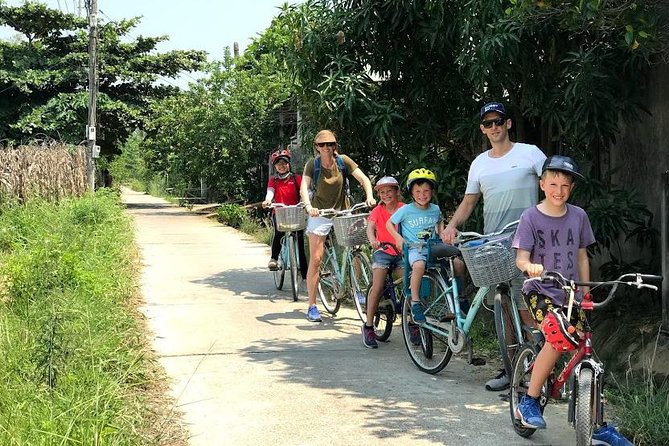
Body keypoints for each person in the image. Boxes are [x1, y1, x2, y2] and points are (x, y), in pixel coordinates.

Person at [441, 101, 547, 391]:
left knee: (528, 304)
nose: (494, 127)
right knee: (503, 305)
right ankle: (511, 367)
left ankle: (538, 367)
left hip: (528, 242)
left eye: (498, 121)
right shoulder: (480, 163)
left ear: (508, 123)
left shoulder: (530, 153)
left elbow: (551, 184)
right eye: (488, 123)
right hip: (493, 244)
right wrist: (452, 226)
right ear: (482, 129)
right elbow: (469, 201)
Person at [300, 130, 376, 323]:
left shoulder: (343, 161)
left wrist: (369, 196)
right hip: (320, 213)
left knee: (357, 248)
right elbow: (304, 186)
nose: (327, 148)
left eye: (331, 144)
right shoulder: (313, 164)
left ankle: (356, 288)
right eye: (323, 145)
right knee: (316, 259)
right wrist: (309, 206)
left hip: (343, 210)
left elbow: (364, 179)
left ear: (335, 145)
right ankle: (312, 305)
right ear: (316, 147)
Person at [386, 168, 454, 324]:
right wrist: (397, 237)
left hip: (433, 247)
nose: (422, 195)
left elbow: (439, 223)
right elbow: (389, 223)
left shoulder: (435, 209)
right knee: (419, 265)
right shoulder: (406, 210)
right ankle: (415, 302)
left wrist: (443, 235)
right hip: (414, 248)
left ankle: (458, 301)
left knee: (457, 264)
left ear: (432, 192)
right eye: (418, 191)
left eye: (426, 191)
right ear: (412, 192)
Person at [361, 176, 405, 348]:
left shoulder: (404, 208)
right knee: (377, 287)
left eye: (389, 191)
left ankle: (413, 323)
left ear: (396, 192)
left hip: (401, 252)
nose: (386, 195)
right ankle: (369, 326)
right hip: (383, 251)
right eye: (382, 192)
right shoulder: (378, 211)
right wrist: (373, 240)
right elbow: (370, 228)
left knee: (409, 283)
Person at [262, 149, 308, 282]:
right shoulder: (274, 180)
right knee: (278, 233)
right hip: (280, 212)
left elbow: (304, 192)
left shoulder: (296, 178)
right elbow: (270, 192)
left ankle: (305, 276)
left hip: (295, 212)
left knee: (299, 241)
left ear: (289, 164)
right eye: (278, 164)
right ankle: (274, 258)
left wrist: (306, 202)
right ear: (275, 166)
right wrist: (267, 200)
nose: (281, 166)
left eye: (284, 163)